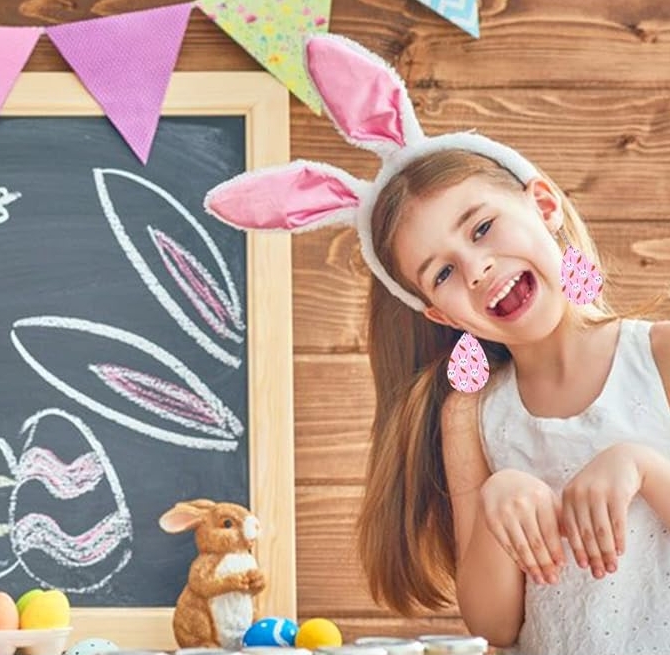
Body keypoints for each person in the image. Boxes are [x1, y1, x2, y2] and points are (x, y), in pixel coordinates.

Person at [203, 34, 670, 655]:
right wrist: (498, 501)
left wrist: (641, 466)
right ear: (436, 312)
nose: (477, 268)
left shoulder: (658, 356)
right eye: (443, 272)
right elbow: (494, 625)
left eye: (482, 227)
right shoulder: (471, 414)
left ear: (543, 204)